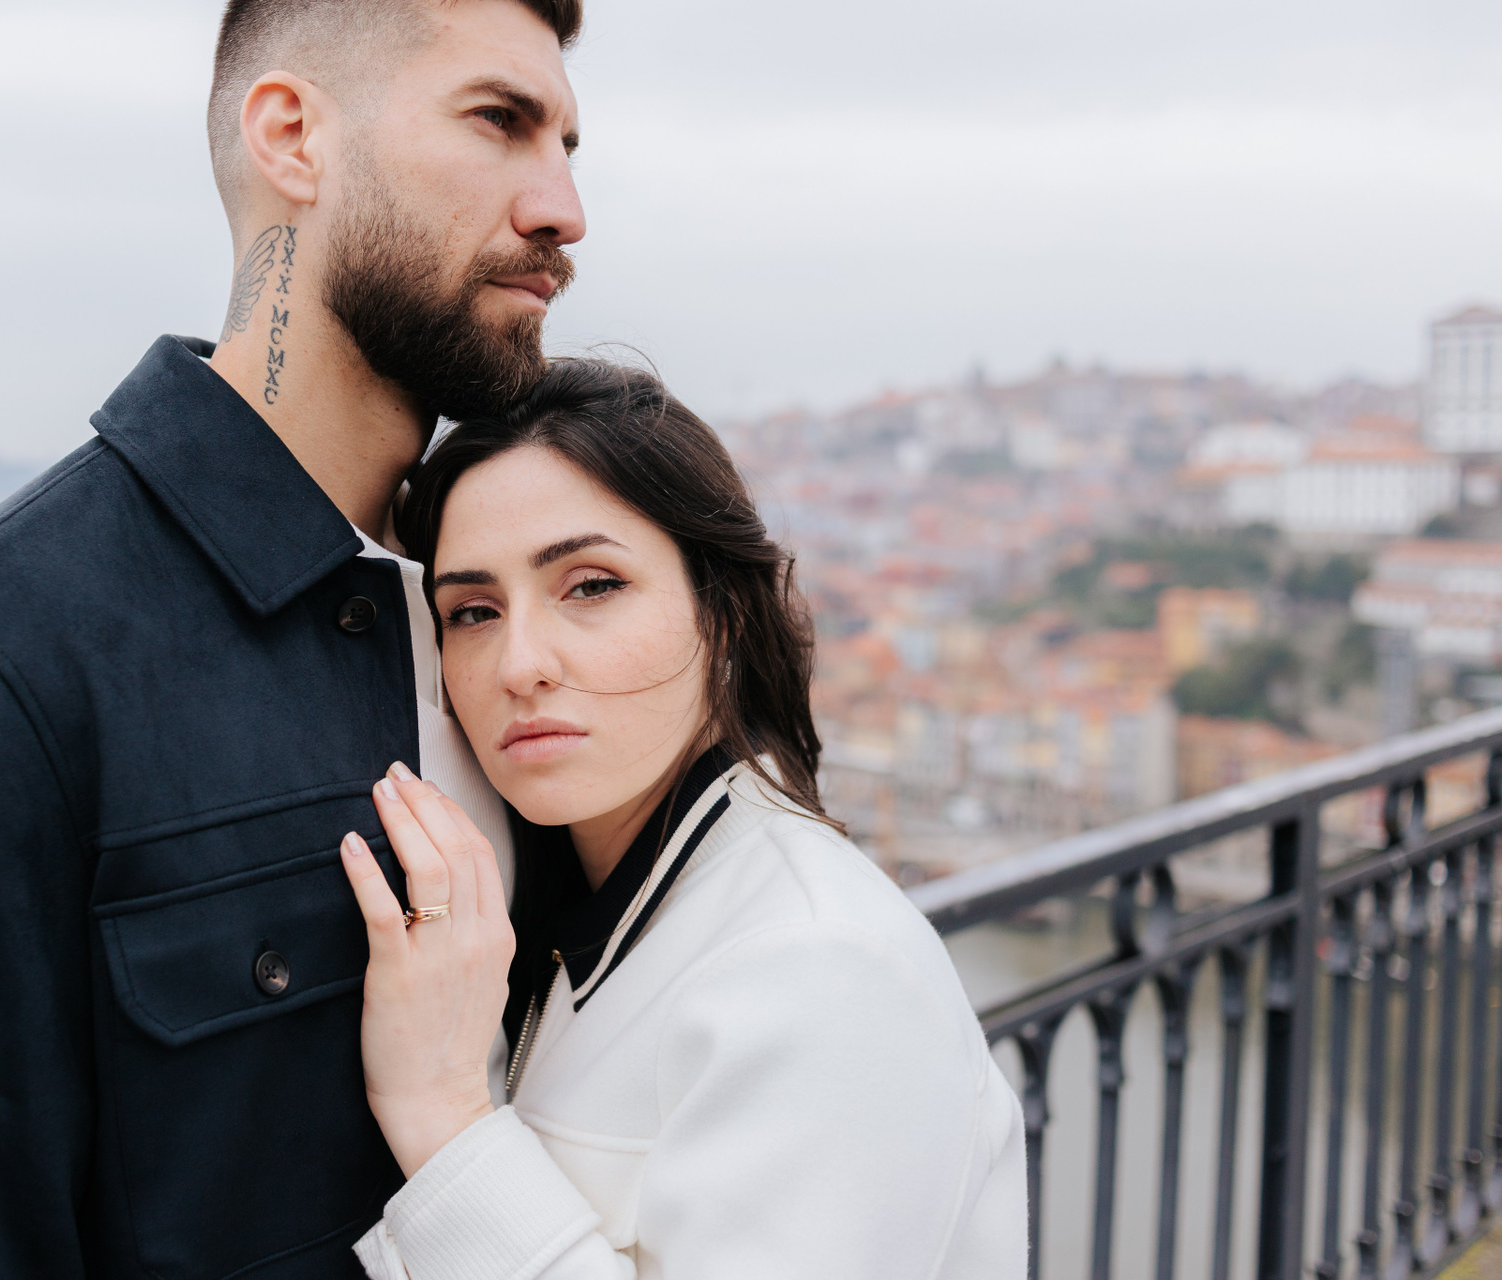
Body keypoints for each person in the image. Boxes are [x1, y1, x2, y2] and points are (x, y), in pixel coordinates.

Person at [0, 2, 583, 1277]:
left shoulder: (504, 616)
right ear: (293, 137)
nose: (563, 210)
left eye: (568, 146)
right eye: (500, 121)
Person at [334, 360, 1029, 1278]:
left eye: (591, 586)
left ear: (724, 614)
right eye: (473, 611)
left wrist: (443, 1112)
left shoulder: (824, 968)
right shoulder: (574, 917)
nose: (519, 664)